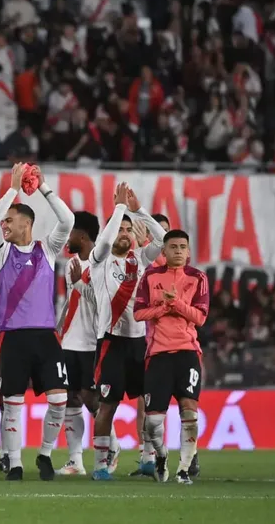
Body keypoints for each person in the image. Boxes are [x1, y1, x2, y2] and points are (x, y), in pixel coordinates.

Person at [0, 162, 74, 481]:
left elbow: (68, 220)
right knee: (12, 404)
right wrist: (12, 190)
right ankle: (15, 463)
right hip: (12, 338)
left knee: (59, 400)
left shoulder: (46, 249)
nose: (4, 225)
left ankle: (45, 454)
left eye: (10, 220)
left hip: (46, 337)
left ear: (27, 223)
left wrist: (44, 188)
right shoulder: (0, 254)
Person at [87, 183, 166, 481]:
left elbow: (163, 238)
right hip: (111, 343)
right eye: (118, 228)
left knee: (148, 402)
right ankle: (100, 466)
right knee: (107, 405)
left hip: (139, 343)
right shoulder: (99, 260)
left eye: (127, 229)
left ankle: (147, 459)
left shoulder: (140, 259)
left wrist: (137, 210)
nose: (123, 232)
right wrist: (119, 209)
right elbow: (105, 241)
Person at [133, 230, 208, 484]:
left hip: (188, 353)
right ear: (163, 252)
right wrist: (163, 307)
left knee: (190, 411)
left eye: (182, 247)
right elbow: (138, 314)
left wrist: (176, 304)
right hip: (158, 354)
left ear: (188, 252)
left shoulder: (198, 277)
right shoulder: (150, 276)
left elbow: (200, 318)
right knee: (153, 422)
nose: (178, 251)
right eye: (173, 246)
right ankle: (162, 455)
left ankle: (183, 469)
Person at [56, 211, 102, 476]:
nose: (67, 237)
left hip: (91, 342)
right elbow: (70, 302)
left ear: (82, 236)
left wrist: (78, 283)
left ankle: (111, 445)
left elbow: (102, 303)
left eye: (71, 232)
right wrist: (58, 329)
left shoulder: (102, 263)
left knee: (90, 397)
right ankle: (76, 461)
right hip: (69, 341)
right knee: (69, 398)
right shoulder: (71, 263)